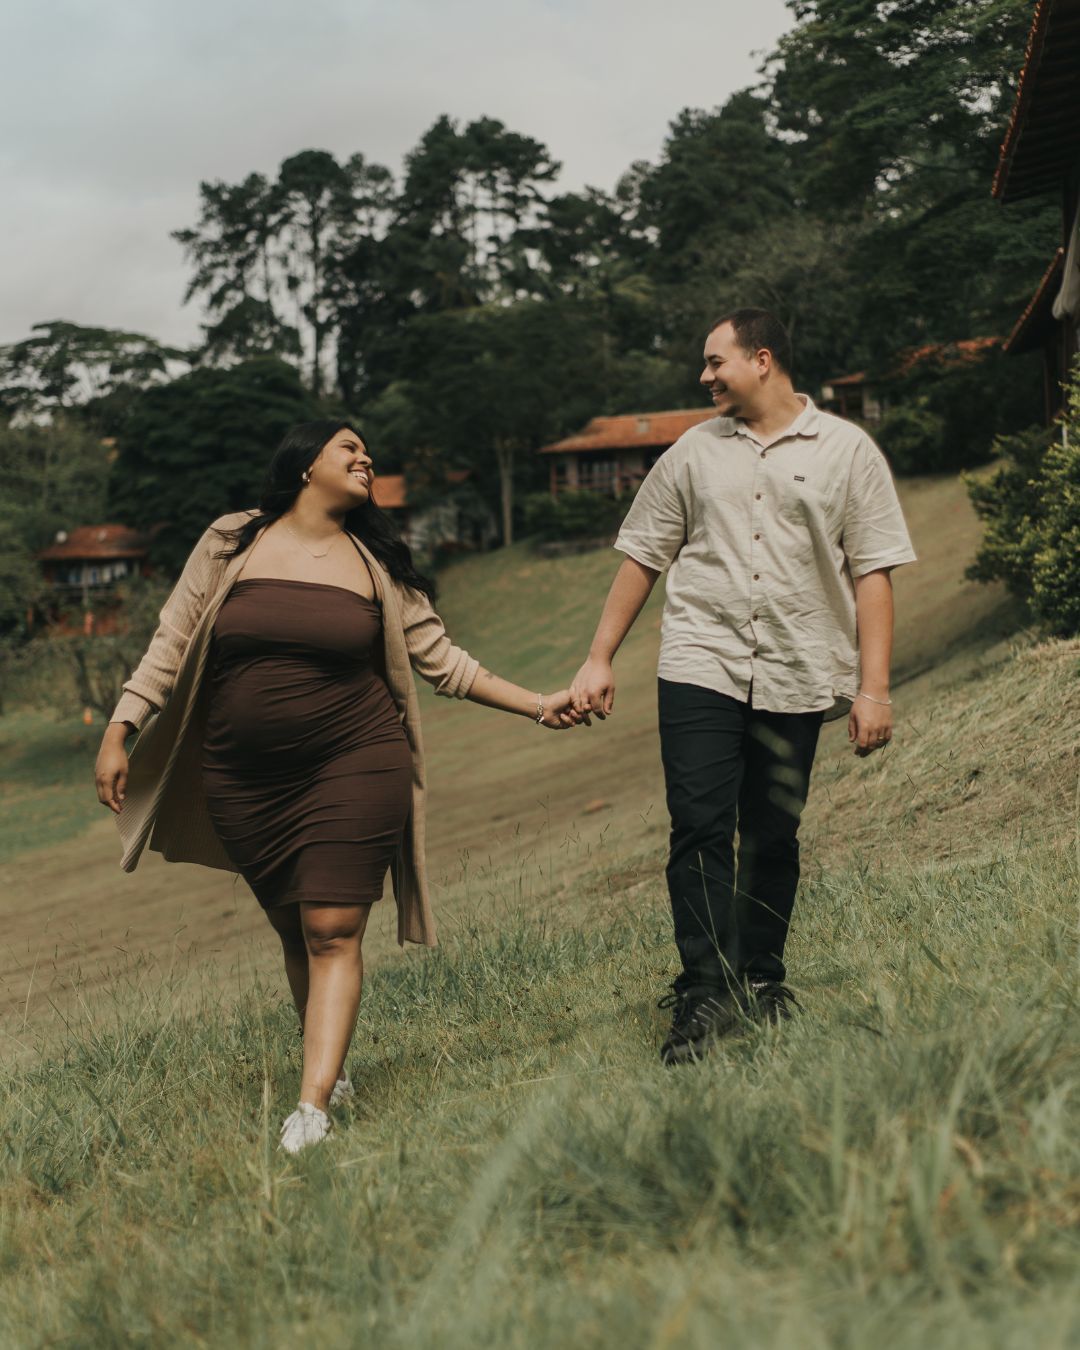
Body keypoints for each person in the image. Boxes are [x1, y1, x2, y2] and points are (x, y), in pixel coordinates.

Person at [95, 420, 583, 1151]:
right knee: (296, 929)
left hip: (353, 760)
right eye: (348, 449)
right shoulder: (233, 540)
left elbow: (446, 662)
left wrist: (540, 704)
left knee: (332, 929)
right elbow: (173, 635)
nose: (366, 459)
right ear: (303, 466)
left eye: (367, 453)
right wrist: (120, 726)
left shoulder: (375, 562)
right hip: (243, 777)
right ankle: (333, 1070)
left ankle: (313, 1109)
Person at [570, 309, 916, 1065]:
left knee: (771, 834)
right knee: (697, 827)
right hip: (701, 663)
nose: (704, 376)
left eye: (715, 361)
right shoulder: (692, 453)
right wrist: (599, 658)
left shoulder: (846, 451)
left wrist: (874, 688)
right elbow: (641, 556)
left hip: (798, 668)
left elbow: (874, 571)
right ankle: (705, 993)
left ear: (762, 360)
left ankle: (760, 980)